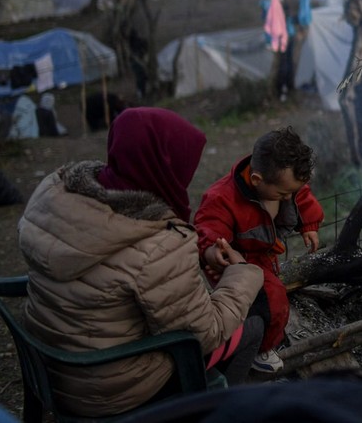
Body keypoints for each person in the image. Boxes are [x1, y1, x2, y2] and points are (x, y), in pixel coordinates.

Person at [17, 108, 263, 418]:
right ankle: (212, 412)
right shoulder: (158, 243)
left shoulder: (59, 195)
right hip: (112, 391)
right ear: (164, 166)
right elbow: (205, 335)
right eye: (185, 166)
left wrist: (198, 255)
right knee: (252, 325)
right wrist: (244, 273)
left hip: (51, 365)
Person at [194, 126, 324, 374]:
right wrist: (211, 251)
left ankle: (260, 337)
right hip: (233, 262)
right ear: (256, 180)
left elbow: (301, 195)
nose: (287, 198)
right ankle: (261, 348)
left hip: (262, 256)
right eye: (283, 193)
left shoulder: (280, 183)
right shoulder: (221, 198)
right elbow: (207, 229)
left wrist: (309, 225)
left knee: (269, 298)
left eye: (290, 192)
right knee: (272, 300)